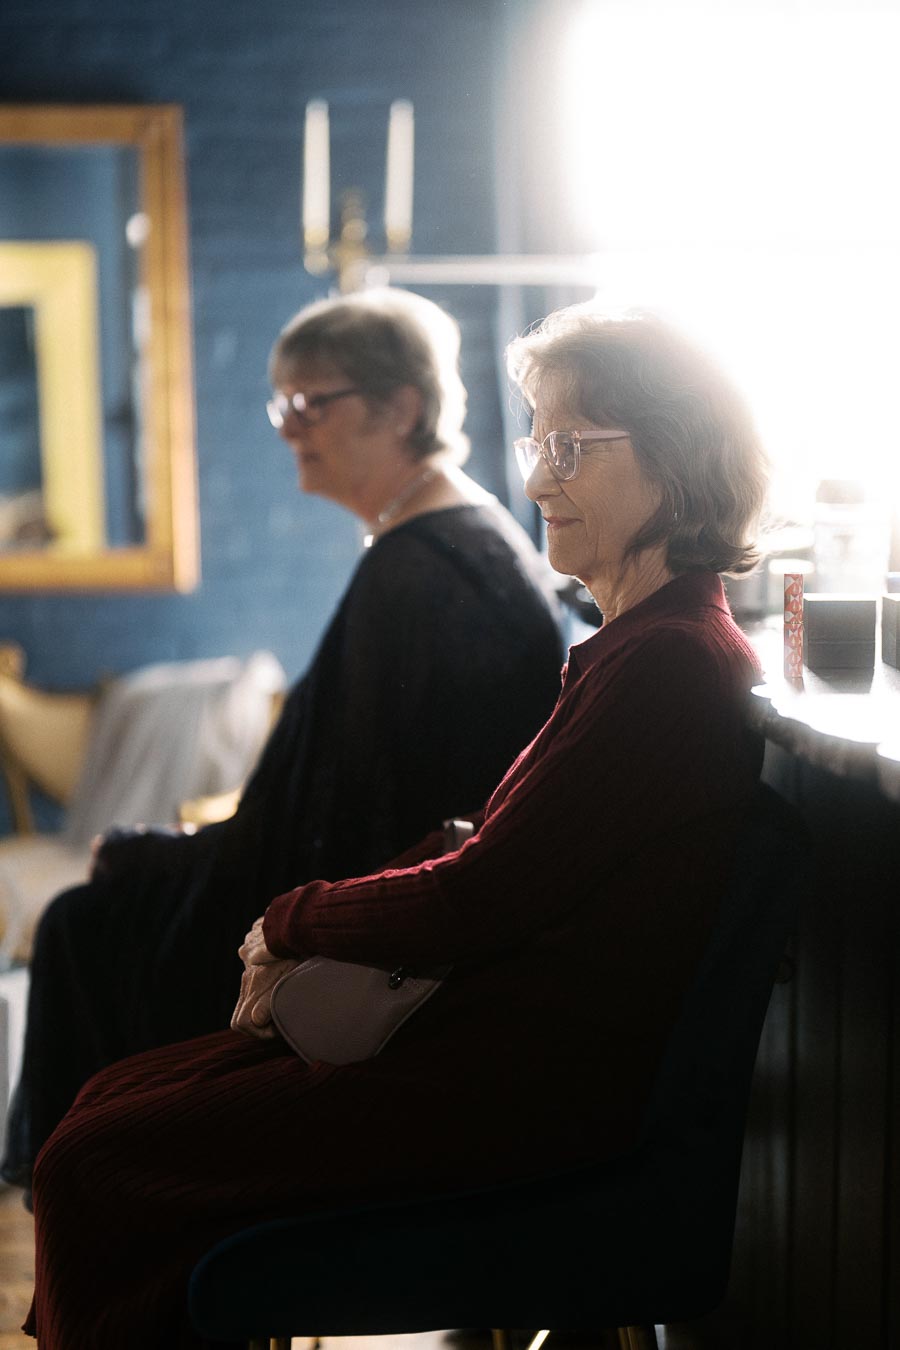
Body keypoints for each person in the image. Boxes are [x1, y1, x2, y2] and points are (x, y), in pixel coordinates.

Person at [25, 305, 770, 1349]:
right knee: (111, 1101)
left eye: (570, 446)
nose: (542, 479)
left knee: (98, 1157)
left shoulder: (669, 663)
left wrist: (293, 918)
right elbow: (496, 856)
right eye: (536, 444)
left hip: (524, 1086)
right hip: (496, 1043)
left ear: (676, 456)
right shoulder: (635, 647)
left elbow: (486, 895)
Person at [1, 287, 563, 1199]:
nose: (288, 427)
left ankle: (118, 1230)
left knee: (82, 927)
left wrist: (152, 860)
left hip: (398, 956)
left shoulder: (418, 573)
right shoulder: (444, 543)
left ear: (403, 408)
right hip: (406, 910)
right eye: (281, 404)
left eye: (312, 403)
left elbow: (332, 835)